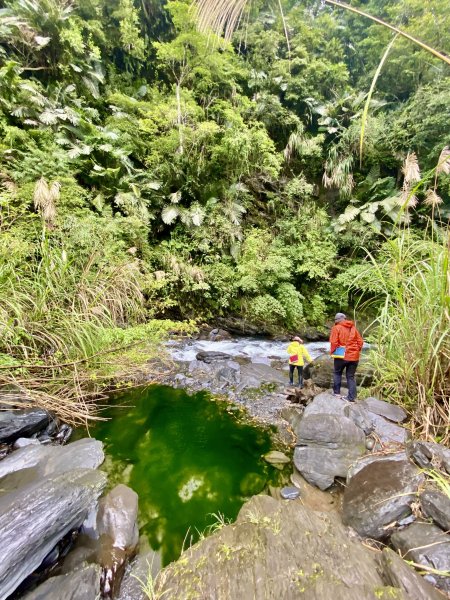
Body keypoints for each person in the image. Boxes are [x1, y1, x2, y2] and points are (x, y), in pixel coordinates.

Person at [330, 312, 364, 402]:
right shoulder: (353, 328)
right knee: (350, 376)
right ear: (345, 319)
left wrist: (333, 352)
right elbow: (360, 342)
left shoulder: (336, 328)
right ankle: (351, 398)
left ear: (337, 320)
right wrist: (356, 351)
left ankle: (336, 393)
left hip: (341, 356)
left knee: (337, 373)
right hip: (354, 357)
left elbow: (334, 342)